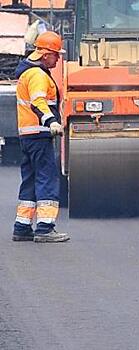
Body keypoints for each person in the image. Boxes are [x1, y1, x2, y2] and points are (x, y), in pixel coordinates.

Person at [12, 31, 69, 243]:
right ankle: (45, 228)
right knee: (47, 179)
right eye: (56, 55)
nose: (57, 59)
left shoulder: (27, 73)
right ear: (46, 55)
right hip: (39, 134)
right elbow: (38, 102)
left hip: (27, 136)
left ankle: (22, 227)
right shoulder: (37, 75)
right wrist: (51, 122)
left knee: (29, 181)